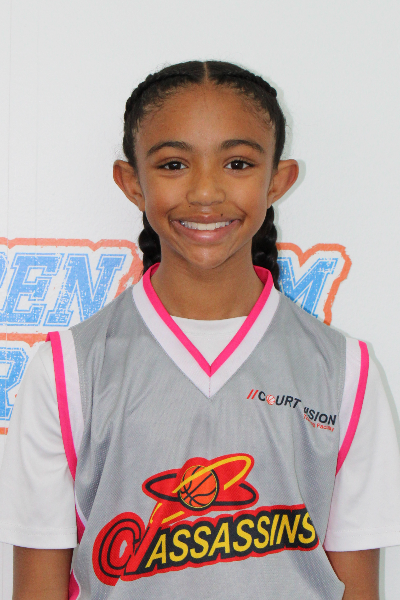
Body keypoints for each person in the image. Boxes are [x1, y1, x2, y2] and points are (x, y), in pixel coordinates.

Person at [0, 60, 399, 600]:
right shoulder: (68, 368)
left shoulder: (344, 370)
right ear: (131, 182)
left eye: (237, 163)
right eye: (173, 164)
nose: (206, 191)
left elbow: (358, 588)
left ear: (278, 180)